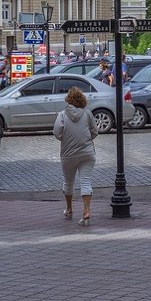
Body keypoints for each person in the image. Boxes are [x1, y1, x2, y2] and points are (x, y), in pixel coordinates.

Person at [52, 86, 98, 226]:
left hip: (68, 154)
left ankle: (69, 208)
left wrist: (66, 138)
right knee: (85, 180)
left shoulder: (61, 114)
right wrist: (86, 138)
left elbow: (57, 132)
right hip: (87, 153)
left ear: (68, 100)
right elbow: (95, 131)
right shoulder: (88, 113)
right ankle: (86, 210)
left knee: (68, 181)